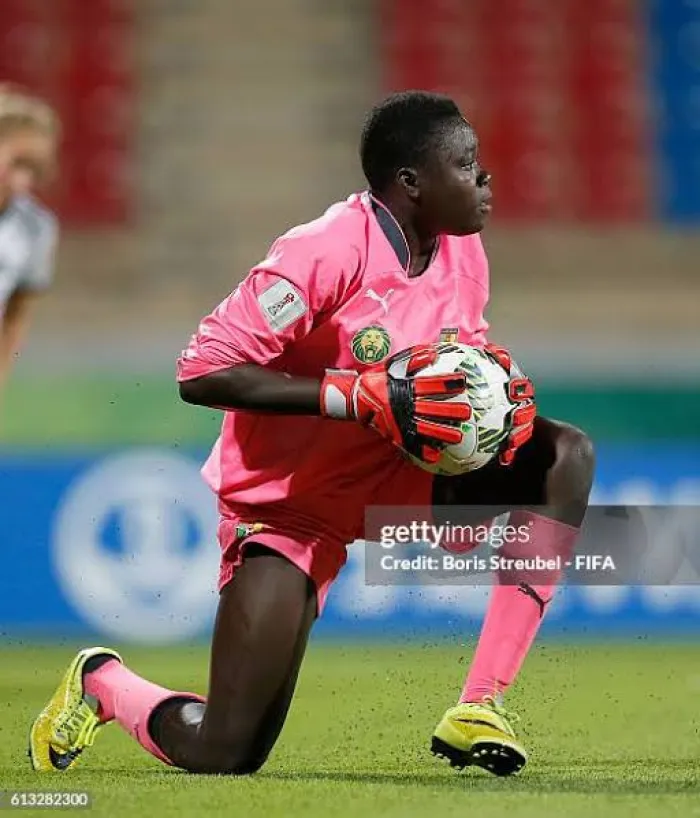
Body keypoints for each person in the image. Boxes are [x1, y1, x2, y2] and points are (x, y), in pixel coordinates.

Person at [29, 91, 594, 778]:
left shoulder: (464, 253)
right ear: (411, 183)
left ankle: (481, 702)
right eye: (467, 163)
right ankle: (104, 683)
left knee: (562, 455)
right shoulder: (326, 250)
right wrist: (356, 394)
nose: (485, 178)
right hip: (285, 507)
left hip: (392, 478)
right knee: (227, 753)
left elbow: (450, 368)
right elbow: (201, 370)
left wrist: (492, 412)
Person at [0, 84, 59, 398]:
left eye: (35, 168)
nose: (25, 178)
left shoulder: (37, 228)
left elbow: (16, 315)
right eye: (18, 163)